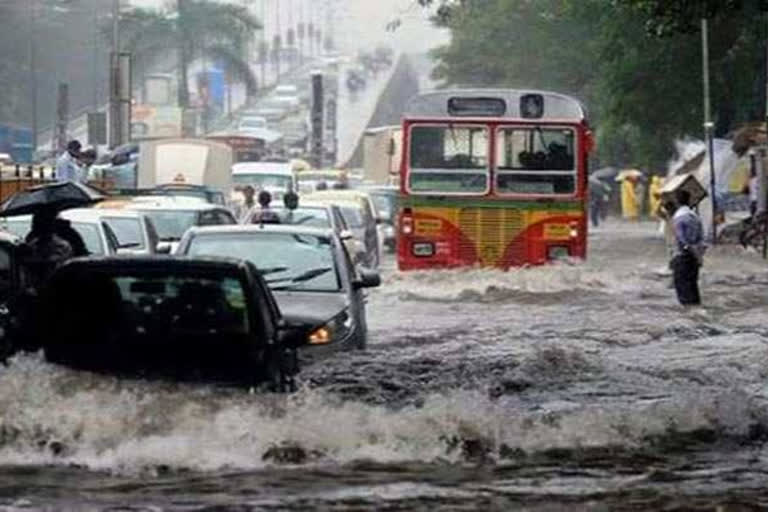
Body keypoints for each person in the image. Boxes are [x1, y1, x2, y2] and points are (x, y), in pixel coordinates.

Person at [671, 189, 705, 306]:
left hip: (683, 257)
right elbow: (701, 239)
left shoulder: (679, 218)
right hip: (694, 258)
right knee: (693, 288)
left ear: (676, 201)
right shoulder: (695, 217)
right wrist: (699, 256)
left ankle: (690, 318)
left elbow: (682, 241)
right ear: (689, 200)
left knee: (683, 291)